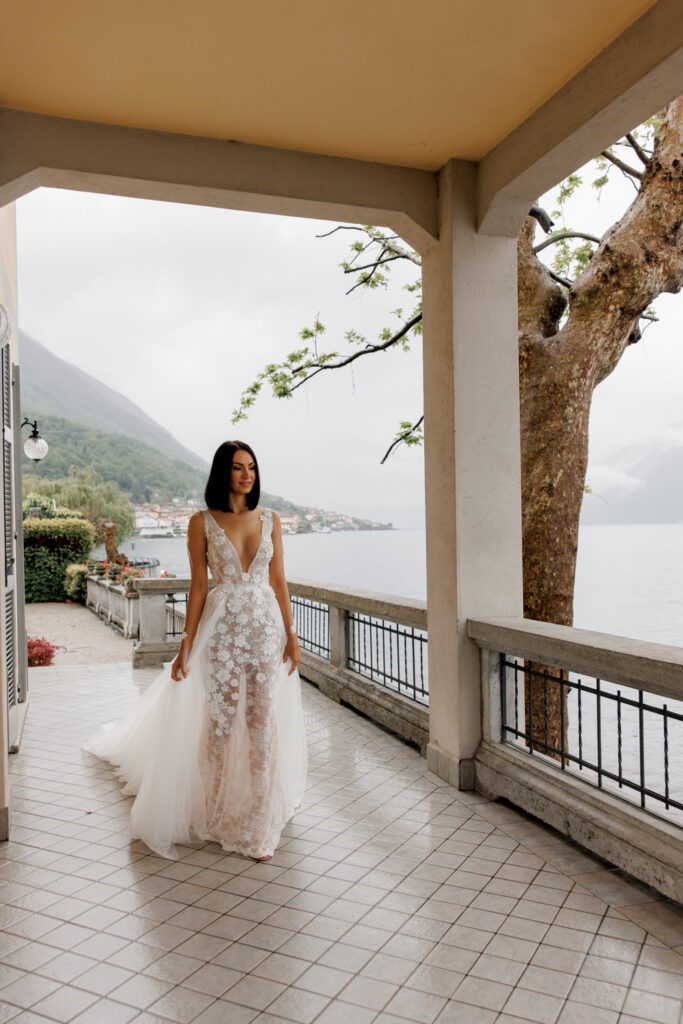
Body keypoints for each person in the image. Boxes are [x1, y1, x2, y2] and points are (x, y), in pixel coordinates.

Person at [83, 441, 307, 861]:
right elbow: (200, 587)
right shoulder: (200, 522)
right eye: (238, 467)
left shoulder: (271, 519)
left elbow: (279, 581)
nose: (247, 475)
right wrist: (185, 644)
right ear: (223, 472)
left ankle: (259, 820)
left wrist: (291, 635)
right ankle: (215, 807)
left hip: (264, 630)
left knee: (261, 719)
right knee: (219, 721)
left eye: (252, 467)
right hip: (221, 631)